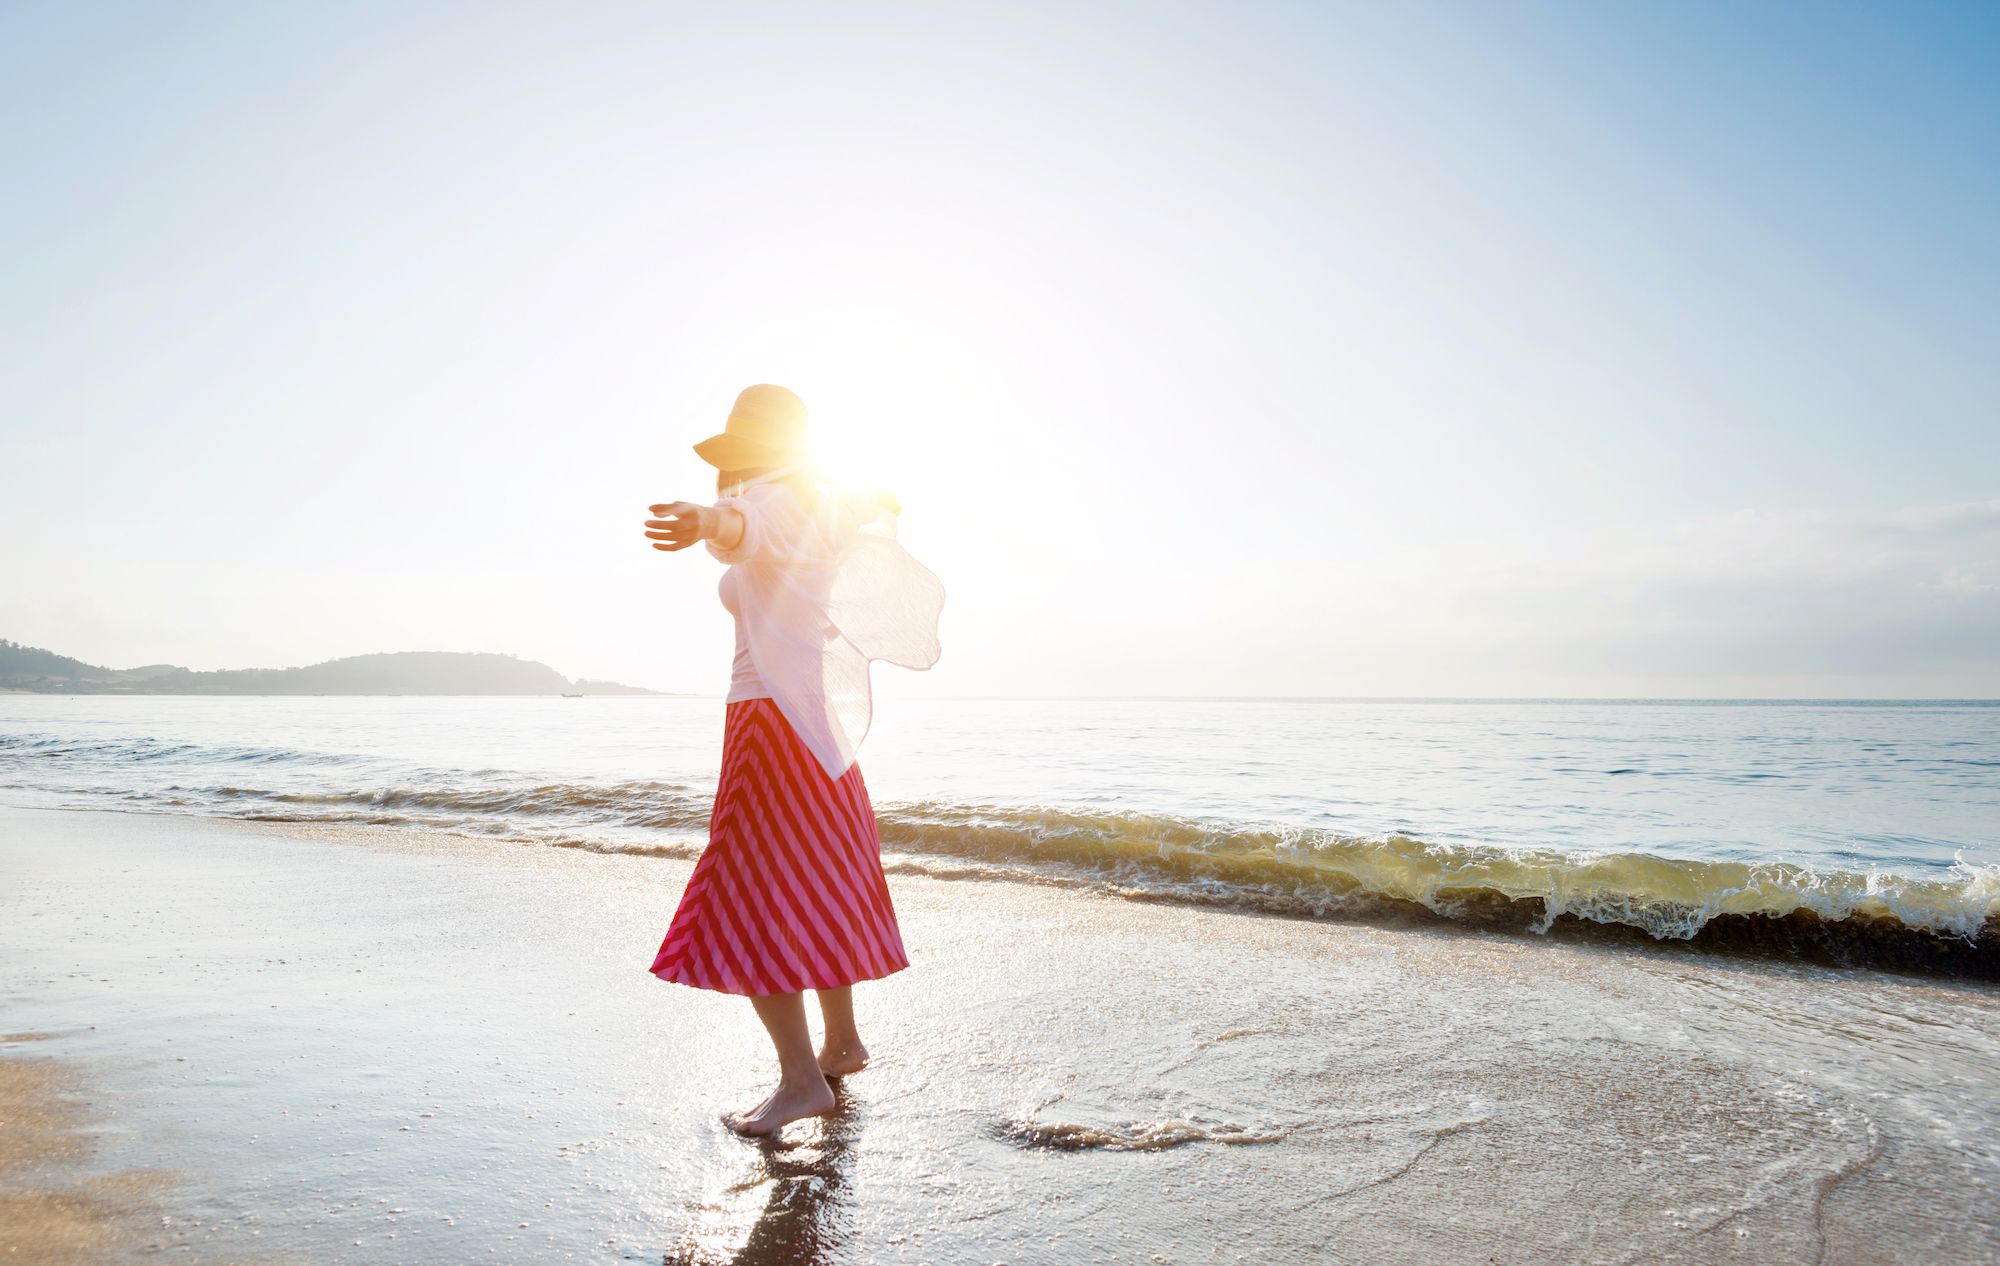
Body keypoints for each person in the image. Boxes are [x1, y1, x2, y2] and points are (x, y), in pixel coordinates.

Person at [642, 384, 944, 1137]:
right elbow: (752, 532)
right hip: (814, 728)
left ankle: (802, 1081)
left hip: (770, 723)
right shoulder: (816, 505)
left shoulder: (782, 502)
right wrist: (721, 522)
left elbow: (745, 528)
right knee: (818, 880)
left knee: (745, 896)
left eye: (741, 454)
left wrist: (710, 518)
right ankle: (840, 1043)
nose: (733, 470)